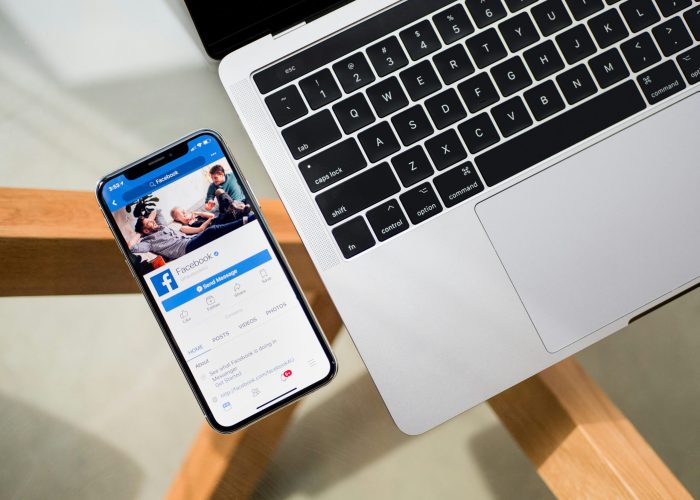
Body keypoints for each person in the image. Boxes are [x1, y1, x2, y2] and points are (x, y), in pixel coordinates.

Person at [128, 209, 254, 260]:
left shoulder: (162, 226)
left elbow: (157, 211)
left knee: (215, 227)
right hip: (184, 249)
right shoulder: (148, 242)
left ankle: (245, 218)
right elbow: (131, 247)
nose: (152, 221)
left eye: (151, 220)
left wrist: (147, 220)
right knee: (211, 230)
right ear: (145, 231)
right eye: (148, 223)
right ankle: (246, 220)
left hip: (191, 240)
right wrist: (139, 233)